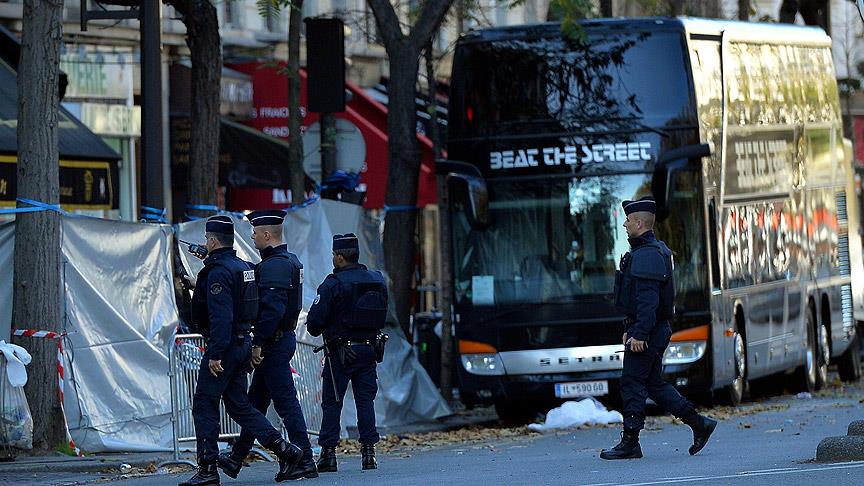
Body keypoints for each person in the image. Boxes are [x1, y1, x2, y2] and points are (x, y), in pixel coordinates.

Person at [180, 215, 304, 486]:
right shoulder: (243, 266)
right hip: (242, 344)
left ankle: (208, 468)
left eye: (206, 239)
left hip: (223, 347)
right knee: (239, 405)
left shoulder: (218, 272)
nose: (204, 243)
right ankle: (285, 449)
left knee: (204, 403)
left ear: (212, 240)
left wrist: (215, 354)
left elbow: (221, 316)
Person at [601, 197, 717, 460]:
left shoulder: (648, 255)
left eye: (628, 220)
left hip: (649, 331)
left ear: (639, 223)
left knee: (632, 382)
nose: (625, 224)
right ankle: (700, 424)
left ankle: (630, 442)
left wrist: (639, 334)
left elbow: (648, 301)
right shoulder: (651, 251)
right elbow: (638, 300)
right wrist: (630, 329)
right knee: (652, 383)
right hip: (649, 329)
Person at [217, 210, 318, 480]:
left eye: (254, 232)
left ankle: (305, 458)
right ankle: (237, 458)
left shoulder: (275, 266)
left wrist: (258, 344)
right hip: (279, 341)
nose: (251, 236)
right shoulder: (287, 261)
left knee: (285, 403)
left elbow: (272, 310)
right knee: (256, 403)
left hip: (272, 344)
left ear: (266, 234)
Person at [307, 233, 389, 472]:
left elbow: (314, 323)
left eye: (334, 254)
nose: (333, 258)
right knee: (366, 401)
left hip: (340, 351)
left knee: (333, 403)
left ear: (339, 257)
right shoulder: (376, 279)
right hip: (369, 349)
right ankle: (369, 453)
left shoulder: (333, 283)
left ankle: (329, 455)